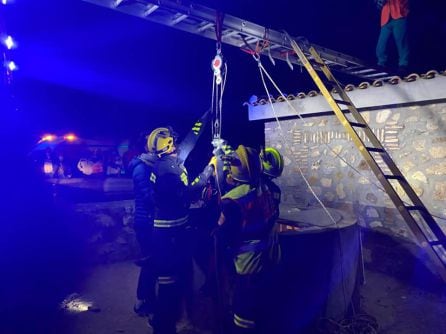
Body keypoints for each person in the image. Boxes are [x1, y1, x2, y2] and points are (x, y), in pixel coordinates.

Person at [147, 126, 215, 334]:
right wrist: (209, 169)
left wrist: (206, 116)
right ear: (168, 147)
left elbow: (190, 140)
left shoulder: (167, 162)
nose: (177, 145)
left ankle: (172, 319)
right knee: (169, 283)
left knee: (179, 278)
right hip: (169, 234)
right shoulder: (168, 171)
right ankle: (163, 325)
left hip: (173, 230)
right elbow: (189, 191)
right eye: (173, 143)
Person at [215, 145, 277, 333]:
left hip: (246, 264)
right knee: (263, 305)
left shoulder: (231, 200)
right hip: (270, 256)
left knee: (243, 312)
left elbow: (225, 233)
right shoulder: (268, 188)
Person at [127, 133, 157, 318]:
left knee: (151, 262)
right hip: (145, 223)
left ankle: (145, 302)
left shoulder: (147, 165)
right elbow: (149, 197)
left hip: (147, 221)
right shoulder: (141, 168)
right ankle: (144, 303)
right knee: (151, 263)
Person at [375, 0, 410, 75]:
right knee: (381, 44)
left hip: (399, 15)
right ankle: (381, 63)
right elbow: (378, 5)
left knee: (401, 42)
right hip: (386, 18)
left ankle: (403, 64)